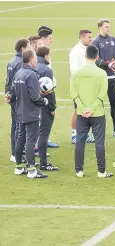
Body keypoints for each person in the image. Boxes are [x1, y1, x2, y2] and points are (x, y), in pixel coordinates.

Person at [70, 45, 113, 178]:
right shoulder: (101, 73)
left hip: (82, 113)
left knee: (80, 141)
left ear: (85, 56)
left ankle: (79, 171)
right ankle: (101, 171)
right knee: (99, 142)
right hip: (97, 113)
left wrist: (82, 109)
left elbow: (73, 93)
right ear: (97, 57)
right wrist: (92, 108)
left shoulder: (77, 73)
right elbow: (102, 93)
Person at [11, 49, 49, 178]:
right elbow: (35, 97)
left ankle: (19, 167)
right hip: (31, 113)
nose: (37, 60)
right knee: (30, 141)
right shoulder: (31, 75)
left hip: (20, 112)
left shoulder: (18, 73)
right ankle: (32, 170)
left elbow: (13, 94)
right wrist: (44, 101)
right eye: (35, 58)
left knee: (20, 139)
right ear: (31, 59)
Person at [91, 19, 115, 138]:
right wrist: (107, 64)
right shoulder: (95, 41)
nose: (108, 28)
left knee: (114, 103)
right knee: (97, 103)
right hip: (100, 77)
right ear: (100, 28)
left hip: (113, 77)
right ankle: (95, 131)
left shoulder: (114, 40)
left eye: (109, 27)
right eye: (106, 27)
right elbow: (96, 58)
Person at [69, 29, 95, 144]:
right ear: (82, 38)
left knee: (86, 110)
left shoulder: (87, 50)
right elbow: (75, 70)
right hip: (80, 85)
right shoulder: (76, 51)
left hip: (87, 85)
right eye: (89, 37)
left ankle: (83, 134)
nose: (91, 39)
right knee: (78, 110)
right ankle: (74, 135)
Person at [35, 46, 59, 171]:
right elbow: (49, 91)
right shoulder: (46, 69)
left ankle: (31, 161)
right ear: (45, 55)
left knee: (35, 134)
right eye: (49, 55)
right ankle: (44, 163)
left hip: (34, 105)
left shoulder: (34, 66)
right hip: (45, 106)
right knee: (44, 134)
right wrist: (52, 107)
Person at [5, 39, 28, 163]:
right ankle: (17, 154)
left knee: (15, 125)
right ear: (23, 48)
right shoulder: (20, 62)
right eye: (28, 46)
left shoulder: (11, 61)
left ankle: (15, 153)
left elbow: (8, 80)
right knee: (19, 126)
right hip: (18, 98)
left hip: (12, 97)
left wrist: (7, 94)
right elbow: (18, 82)